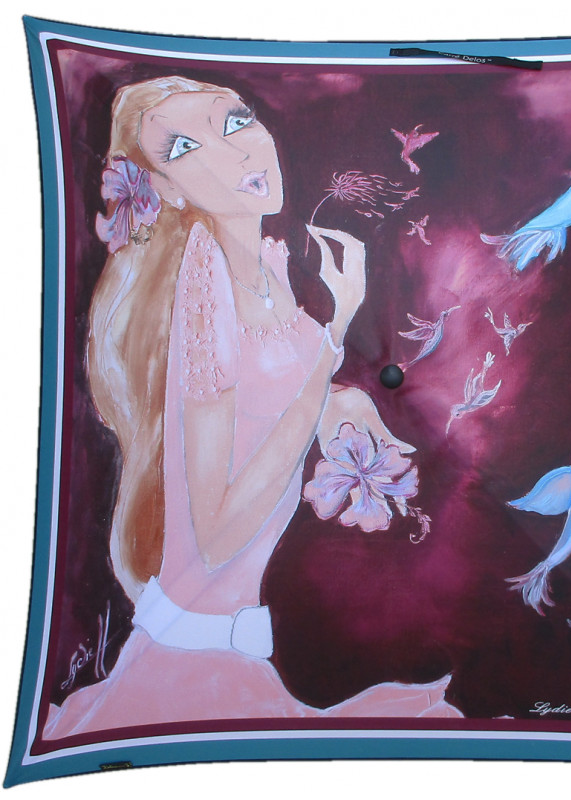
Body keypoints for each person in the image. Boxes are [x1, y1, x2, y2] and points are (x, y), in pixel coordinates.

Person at [44, 76, 459, 737]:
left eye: (235, 122)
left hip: (236, 653)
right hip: (191, 664)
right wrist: (337, 331)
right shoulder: (203, 281)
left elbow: (270, 401)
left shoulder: (266, 269)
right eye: (185, 147)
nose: (234, 151)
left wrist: (350, 405)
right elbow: (216, 538)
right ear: (167, 190)